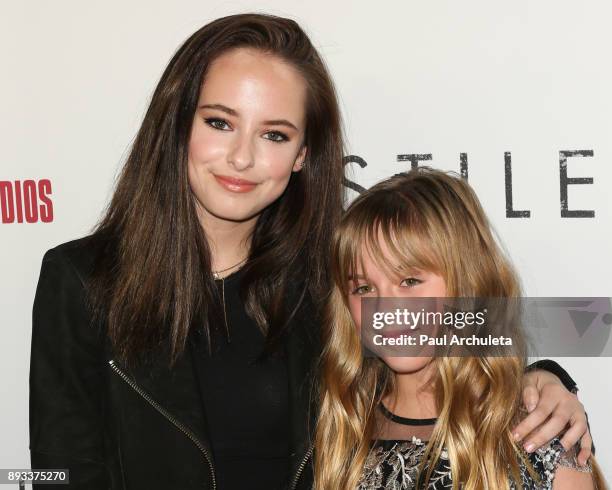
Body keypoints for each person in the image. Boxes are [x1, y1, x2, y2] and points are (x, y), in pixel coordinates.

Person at [29, 14, 592, 490]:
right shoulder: (82, 281)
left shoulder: (332, 275)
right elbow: (59, 470)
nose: (241, 158)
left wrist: (547, 376)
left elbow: (471, 320)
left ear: (303, 154)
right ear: (179, 126)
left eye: (274, 134)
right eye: (220, 122)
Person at [314, 167, 606, 489]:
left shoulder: (539, 440)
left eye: (410, 281)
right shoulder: (339, 430)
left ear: (466, 284)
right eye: (364, 289)